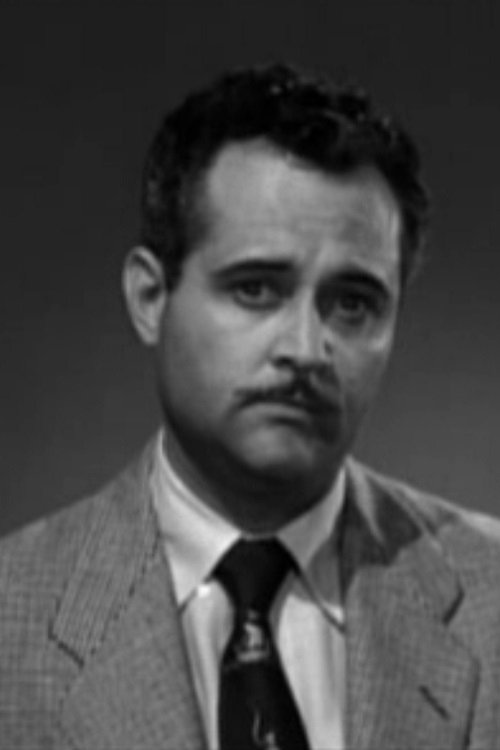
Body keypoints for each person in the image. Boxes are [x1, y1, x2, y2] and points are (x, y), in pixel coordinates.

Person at [1, 62, 500, 750]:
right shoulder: (12, 621)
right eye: (256, 289)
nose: (307, 349)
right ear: (150, 298)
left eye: (353, 304)